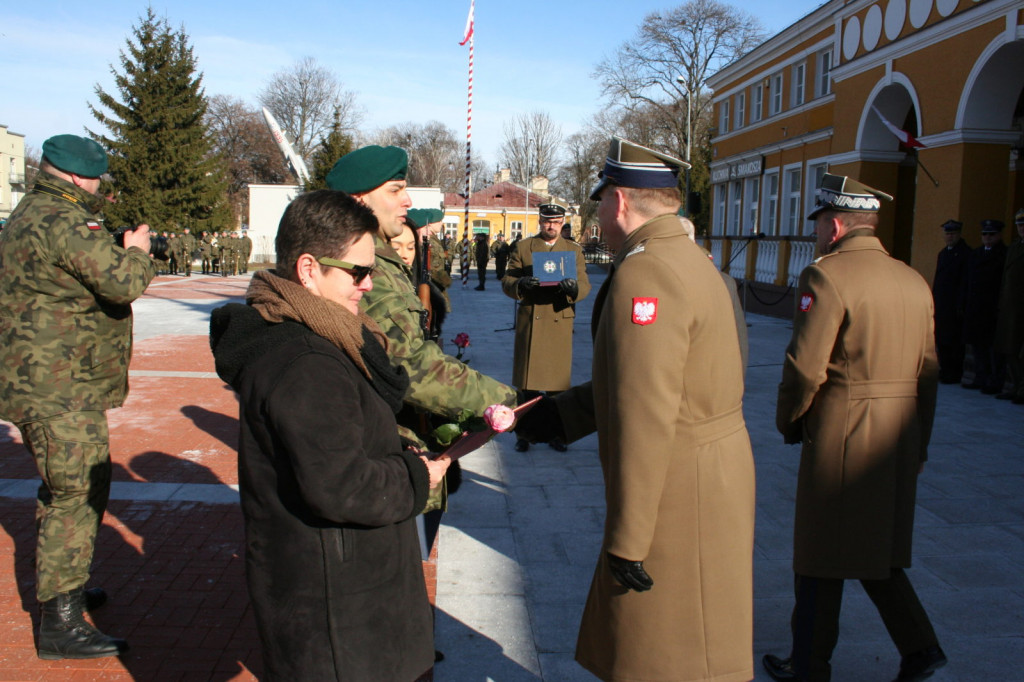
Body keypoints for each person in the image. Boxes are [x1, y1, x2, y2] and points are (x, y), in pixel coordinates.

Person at [516, 138, 755, 682]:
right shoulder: (693, 262)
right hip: (712, 473)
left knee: (657, 654)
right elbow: (659, 381)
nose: (596, 214)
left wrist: (627, 539)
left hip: (673, 490)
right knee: (701, 641)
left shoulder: (646, 272)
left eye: (600, 200)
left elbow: (646, 413)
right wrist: (558, 413)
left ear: (619, 202)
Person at [209, 190, 449, 680]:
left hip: (342, 590)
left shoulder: (326, 334)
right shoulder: (306, 362)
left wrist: (395, 446)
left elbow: (332, 445)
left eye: (372, 269)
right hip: (339, 609)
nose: (368, 284)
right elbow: (343, 486)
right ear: (308, 269)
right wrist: (417, 475)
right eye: (357, 271)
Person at [765, 173, 945, 682]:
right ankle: (921, 647)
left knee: (820, 553)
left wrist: (790, 420)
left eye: (820, 223)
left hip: (844, 432)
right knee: (877, 549)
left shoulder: (827, 276)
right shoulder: (913, 279)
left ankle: (809, 665)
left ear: (836, 224)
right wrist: (920, 444)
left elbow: (805, 368)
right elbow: (929, 372)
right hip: (899, 436)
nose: (818, 233)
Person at [0, 134, 157, 659]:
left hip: (43, 380)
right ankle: (60, 622)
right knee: (75, 492)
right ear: (76, 177)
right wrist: (137, 252)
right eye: (96, 179)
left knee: (65, 487)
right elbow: (121, 283)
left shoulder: (30, 212)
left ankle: (63, 592)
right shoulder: (65, 220)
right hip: (58, 385)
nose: (98, 188)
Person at [325, 146, 515, 431]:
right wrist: (505, 402)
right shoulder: (361, 265)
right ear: (358, 199)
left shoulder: (376, 256)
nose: (407, 200)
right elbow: (411, 365)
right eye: (395, 190)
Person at [501, 200, 590, 452]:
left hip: (558, 319)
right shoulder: (524, 247)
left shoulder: (573, 250)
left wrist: (575, 290)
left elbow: (584, 283)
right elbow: (507, 279)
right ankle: (524, 433)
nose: (551, 226)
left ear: (563, 224)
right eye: (546, 221)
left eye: (556, 222)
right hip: (532, 320)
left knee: (558, 387)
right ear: (539, 222)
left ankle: (557, 433)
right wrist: (520, 285)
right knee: (527, 385)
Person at [962, 219, 1007, 392]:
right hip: (976, 308)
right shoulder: (976, 254)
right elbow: (968, 281)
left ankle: (995, 381)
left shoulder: (1004, 254)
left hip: (993, 308)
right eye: (984, 234)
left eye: (991, 234)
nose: (987, 238)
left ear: (999, 235)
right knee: (978, 347)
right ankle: (980, 378)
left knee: (994, 350)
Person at [931, 219, 971, 383]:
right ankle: (945, 369)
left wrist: (961, 304)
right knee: (941, 339)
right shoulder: (943, 253)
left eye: (953, 233)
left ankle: (954, 372)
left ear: (959, 234)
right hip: (942, 303)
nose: (950, 237)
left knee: (954, 340)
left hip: (955, 304)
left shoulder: (965, 253)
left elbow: (965, 281)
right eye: (947, 234)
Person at [994, 209, 1024, 403]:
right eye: (1020, 225)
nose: (1022, 228)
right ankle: (1016, 386)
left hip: (1022, 308)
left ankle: (1021, 389)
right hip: (1010, 308)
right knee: (1010, 349)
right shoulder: (1014, 247)